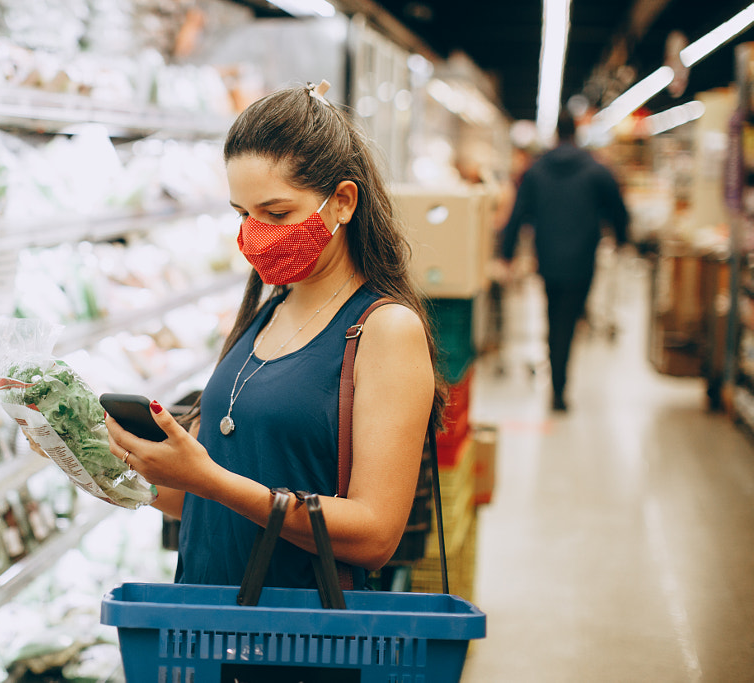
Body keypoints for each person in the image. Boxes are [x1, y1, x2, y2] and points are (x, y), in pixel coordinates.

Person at [103, 81, 443, 590]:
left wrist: (211, 480)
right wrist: (91, 454)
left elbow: (374, 536)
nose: (254, 234)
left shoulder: (384, 329)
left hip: (297, 642)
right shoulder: (267, 311)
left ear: (343, 202)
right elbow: (198, 498)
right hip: (205, 627)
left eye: (276, 213)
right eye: (242, 214)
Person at [499, 110, 629, 412]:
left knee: (552, 316)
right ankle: (559, 386)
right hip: (582, 259)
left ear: (556, 133)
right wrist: (622, 239)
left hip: (548, 257)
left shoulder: (535, 170)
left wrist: (506, 253)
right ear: (577, 133)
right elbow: (619, 209)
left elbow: (517, 214)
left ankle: (556, 381)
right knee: (569, 320)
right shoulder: (596, 170)